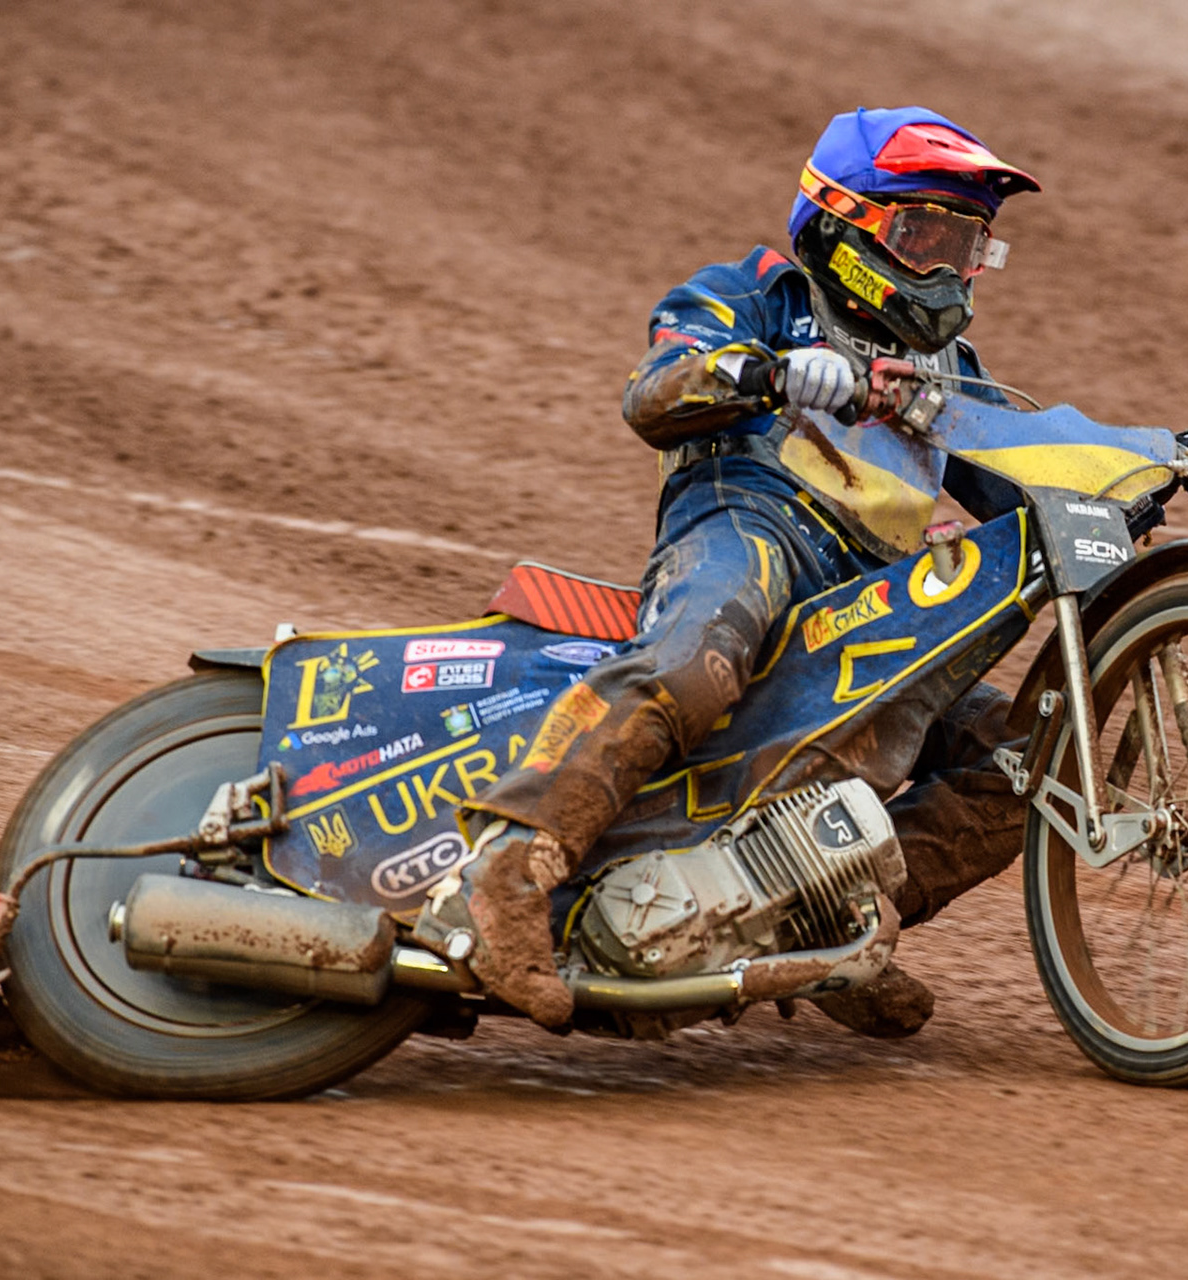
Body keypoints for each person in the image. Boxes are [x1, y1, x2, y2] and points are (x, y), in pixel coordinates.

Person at [417, 107, 1087, 1034]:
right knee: (702, 655)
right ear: (846, 222)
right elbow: (652, 396)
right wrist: (769, 374)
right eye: (921, 233)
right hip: (749, 518)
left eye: (965, 242)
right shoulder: (753, 292)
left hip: (866, 597)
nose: (943, 264)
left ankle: (841, 924)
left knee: (1036, 765)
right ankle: (506, 872)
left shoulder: (952, 371)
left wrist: (1148, 467)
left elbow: (1024, 479)